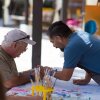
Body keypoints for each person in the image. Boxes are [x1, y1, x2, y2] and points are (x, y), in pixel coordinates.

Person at [42, 21, 100, 85]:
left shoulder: (71, 47)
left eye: (52, 42)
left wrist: (48, 71)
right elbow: (90, 57)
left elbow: (65, 76)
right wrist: (87, 79)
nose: (54, 46)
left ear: (58, 38)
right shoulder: (80, 34)